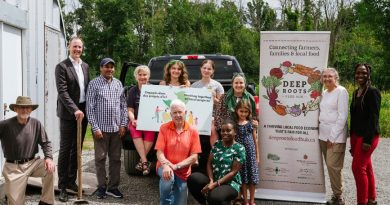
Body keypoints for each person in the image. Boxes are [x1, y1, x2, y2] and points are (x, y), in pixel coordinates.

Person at [0, 96, 55, 205]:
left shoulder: (36, 123)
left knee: (50, 168)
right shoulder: (5, 125)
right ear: (15, 109)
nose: (25, 110)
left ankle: (46, 201)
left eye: (27, 108)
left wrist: (48, 158)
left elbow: (45, 143)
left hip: (32, 163)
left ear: (31, 109)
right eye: (21, 108)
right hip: (13, 168)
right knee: (15, 203)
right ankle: (6, 195)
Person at [86, 57, 128, 199]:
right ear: (101, 68)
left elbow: (123, 106)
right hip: (101, 130)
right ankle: (102, 187)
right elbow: (89, 108)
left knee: (116, 159)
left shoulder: (118, 83)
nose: (109, 69)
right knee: (100, 159)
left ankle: (113, 187)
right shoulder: (94, 84)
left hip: (116, 129)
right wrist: (95, 127)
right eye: (106, 67)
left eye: (111, 67)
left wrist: (123, 124)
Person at [55, 36, 90, 202]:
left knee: (77, 149)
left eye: (80, 47)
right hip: (69, 114)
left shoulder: (85, 66)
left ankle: (71, 181)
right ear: (69, 47)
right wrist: (74, 109)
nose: (77, 49)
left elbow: (86, 90)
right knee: (65, 149)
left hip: (83, 113)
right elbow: (62, 92)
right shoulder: (62, 66)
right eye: (75, 46)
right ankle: (62, 186)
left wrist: (83, 110)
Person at [187, 119, 245, 205]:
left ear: (235, 132)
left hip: (230, 184)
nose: (225, 133)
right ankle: (204, 203)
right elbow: (209, 163)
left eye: (228, 130)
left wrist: (215, 184)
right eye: (223, 131)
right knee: (193, 178)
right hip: (214, 180)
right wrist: (211, 181)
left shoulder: (239, 148)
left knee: (214, 197)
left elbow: (233, 172)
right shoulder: (217, 144)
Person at [155, 99, 202, 205]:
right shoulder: (164, 128)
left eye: (180, 112)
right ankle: (165, 202)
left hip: (183, 171)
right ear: (171, 114)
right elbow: (159, 152)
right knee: (168, 177)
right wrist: (166, 166)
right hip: (165, 167)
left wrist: (176, 166)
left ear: (185, 112)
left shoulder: (193, 130)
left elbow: (194, 156)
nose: (178, 115)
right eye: (175, 112)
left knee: (180, 203)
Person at [350, 64, 381, 205]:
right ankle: (371, 199)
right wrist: (352, 142)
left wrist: (367, 141)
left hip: (368, 136)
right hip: (357, 136)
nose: (360, 75)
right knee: (366, 167)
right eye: (357, 73)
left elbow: (374, 118)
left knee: (357, 168)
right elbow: (354, 118)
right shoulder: (356, 92)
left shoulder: (372, 92)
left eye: (363, 72)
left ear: (369, 74)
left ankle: (362, 202)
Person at [318, 68, 349, 205]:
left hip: (335, 136)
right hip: (323, 135)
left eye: (330, 76)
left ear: (336, 77)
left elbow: (342, 117)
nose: (327, 79)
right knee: (330, 166)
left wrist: (332, 137)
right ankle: (336, 195)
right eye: (324, 77)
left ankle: (339, 196)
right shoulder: (324, 92)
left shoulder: (341, 91)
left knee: (333, 166)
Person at [127, 65, 156, 175]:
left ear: (148, 76)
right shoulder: (132, 91)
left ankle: (142, 162)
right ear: (136, 76)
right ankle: (145, 161)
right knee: (134, 128)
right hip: (137, 120)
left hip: (151, 121)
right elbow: (130, 109)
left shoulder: (154, 89)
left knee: (150, 130)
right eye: (140, 75)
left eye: (145, 74)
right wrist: (133, 119)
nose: (142, 77)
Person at [191, 59, 224, 146]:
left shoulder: (217, 85)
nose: (206, 70)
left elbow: (222, 105)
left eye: (209, 69)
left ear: (213, 71)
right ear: (200, 69)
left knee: (212, 130)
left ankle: (216, 154)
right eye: (204, 68)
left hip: (212, 116)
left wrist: (214, 99)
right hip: (196, 115)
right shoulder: (194, 86)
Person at [234, 100, 259, 205]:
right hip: (240, 155)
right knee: (243, 178)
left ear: (249, 112)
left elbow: (255, 140)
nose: (243, 114)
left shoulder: (251, 124)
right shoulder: (234, 125)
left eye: (246, 112)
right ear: (236, 111)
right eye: (241, 111)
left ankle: (252, 201)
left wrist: (257, 156)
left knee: (252, 178)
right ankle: (245, 201)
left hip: (251, 154)